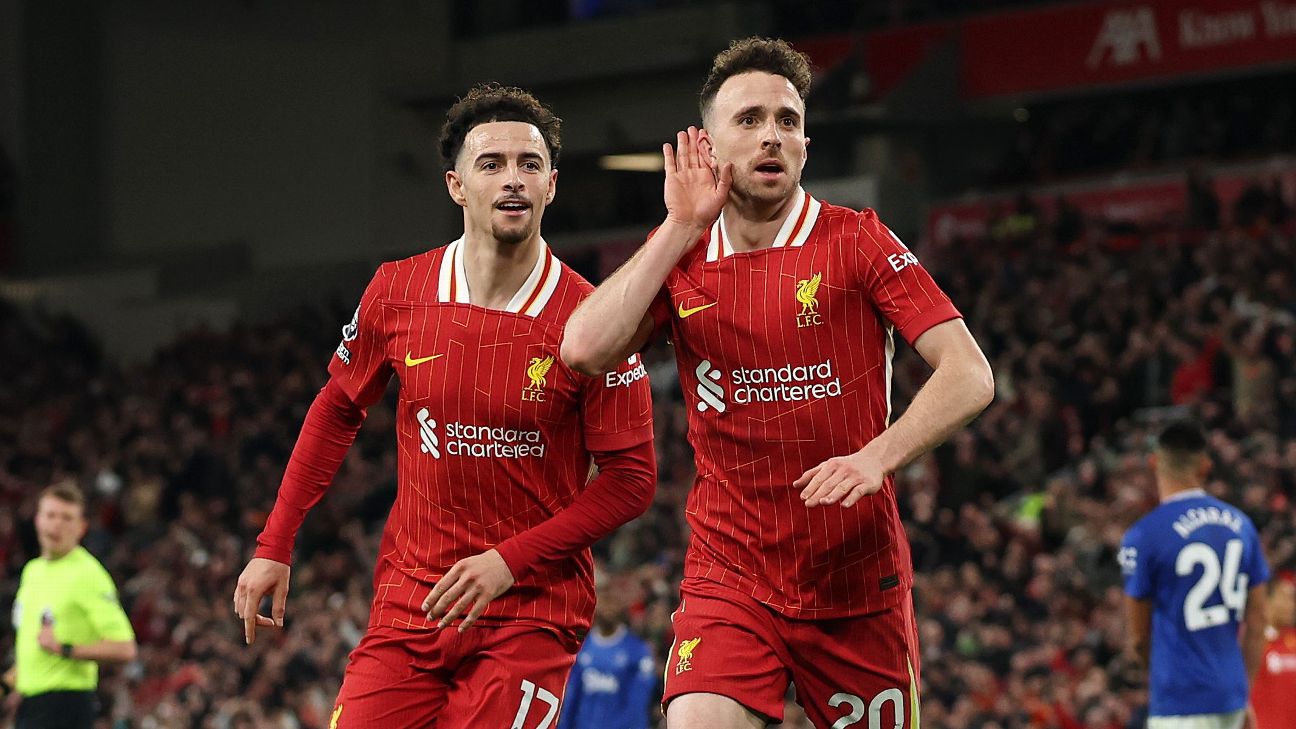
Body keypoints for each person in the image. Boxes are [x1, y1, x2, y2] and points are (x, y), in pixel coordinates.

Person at [561, 37, 994, 729]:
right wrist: (678, 225)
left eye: (787, 121)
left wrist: (877, 456)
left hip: (856, 581)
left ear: (805, 145)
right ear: (708, 146)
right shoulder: (682, 257)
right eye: (751, 119)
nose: (772, 136)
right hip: (731, 576)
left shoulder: (857, 240)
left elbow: (970, 373)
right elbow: (583, 349)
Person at [233, 83, 657, 728]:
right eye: (491, 164)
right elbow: (337, 409)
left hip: (530, 612)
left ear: (551, 185)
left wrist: (508, 562)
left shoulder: (593, 322)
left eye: (530, 164)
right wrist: (275, 542)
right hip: (413, 604)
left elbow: (631, 479)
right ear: (456, 185)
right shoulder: (397, 290)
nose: (512, 179)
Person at [1119, 421, 1269, 729]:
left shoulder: (1144, 534)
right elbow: (1257, 622)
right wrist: (1242, 696)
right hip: (1230, 698)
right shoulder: (1241, 526)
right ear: (1205, 466)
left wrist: (1163, 681)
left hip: (1179, 700)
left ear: (1154, 462)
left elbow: (1138, 638)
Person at [4, 483, 137, 729]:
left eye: (67, 518)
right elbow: (34, 648)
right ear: (37, 520)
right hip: (32, 704)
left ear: (81, 527)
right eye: (50, 515)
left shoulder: (88, 574)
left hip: (66, 704)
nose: (57, 524)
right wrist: (7, 685)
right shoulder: (33, 571)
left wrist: (65, 649)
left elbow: (124, 648)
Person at [557, 569, 656, 729]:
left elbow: (637, 706)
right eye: (604, 600)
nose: (608, 607)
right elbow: (570, 699)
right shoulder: (581, 648)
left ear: (621, 606)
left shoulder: (638, 651)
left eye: (613, 601)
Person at [1250, 573, 1296, 729]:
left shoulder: (1292, 641)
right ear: (1267, 600)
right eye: (1285, 597)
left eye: (1292, 599)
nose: (1291, 605)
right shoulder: (1251, 642)